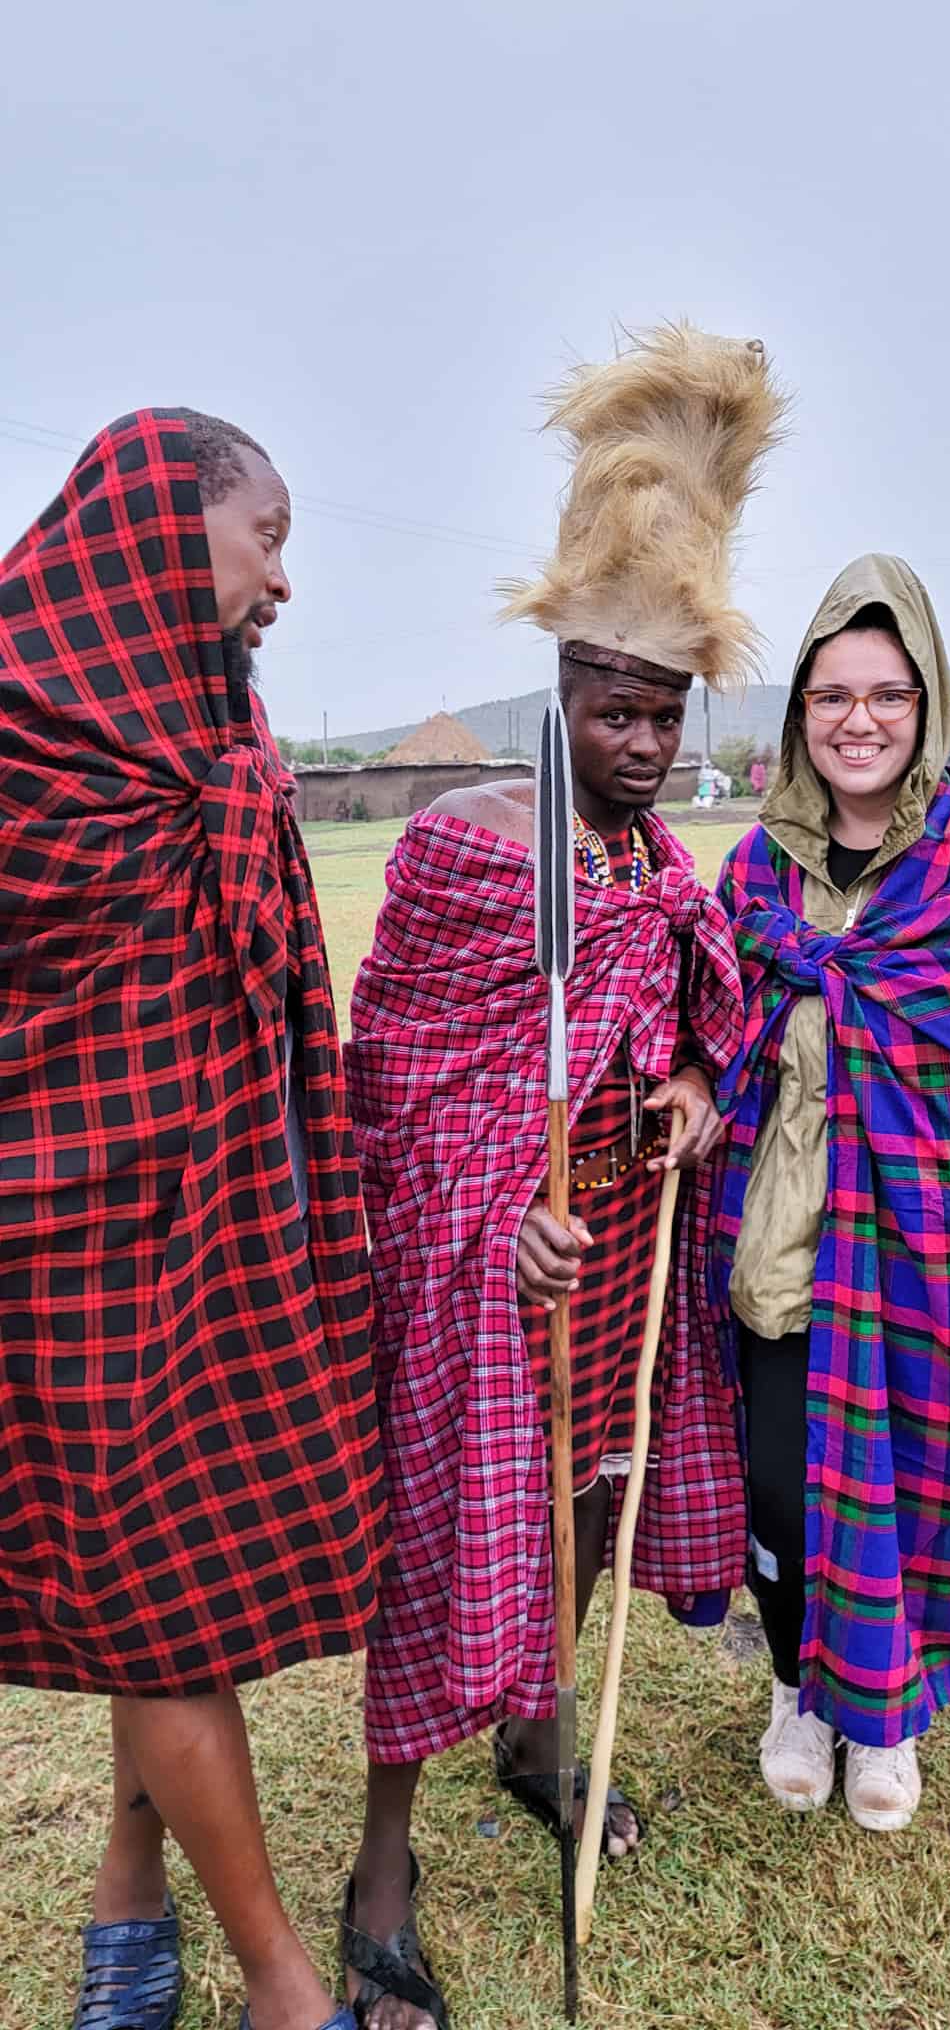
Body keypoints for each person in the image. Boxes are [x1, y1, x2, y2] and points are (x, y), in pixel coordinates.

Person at [341, 325, 786, 2029]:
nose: (642, 745)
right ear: (561, 698)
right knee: (439, 1524)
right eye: (614, 712)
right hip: (485, 1255)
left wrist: (677, 1086)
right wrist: (483, 1220)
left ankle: (537, 1730)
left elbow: (691, 1022)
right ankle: (382, 1863)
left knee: (589, 1486)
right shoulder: (469, 840)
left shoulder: (664, 864)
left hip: (612, 1248)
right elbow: (401, 1088)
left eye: (665, 716)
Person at [0, 409, 387, 2030]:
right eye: (265, 536)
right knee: (152, 1599)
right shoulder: (21, 741)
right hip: (61, 1239)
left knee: (148, 1594)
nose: (282, 579)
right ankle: (283, 1985)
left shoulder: (198, 723)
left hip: (213, 1215)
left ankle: (123, 1911)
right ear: (171, 531)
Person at [713, 554, 950, 1833]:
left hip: (930, 1260)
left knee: (911, 1474)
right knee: (780, 1489)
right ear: (796, 713)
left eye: (885, 692)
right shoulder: (756, 875)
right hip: (783, 1242)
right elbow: (704, 1027)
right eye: (830, 695)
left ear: (926, 702)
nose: (857, 720)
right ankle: (794, 1687)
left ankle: (888, 1717)